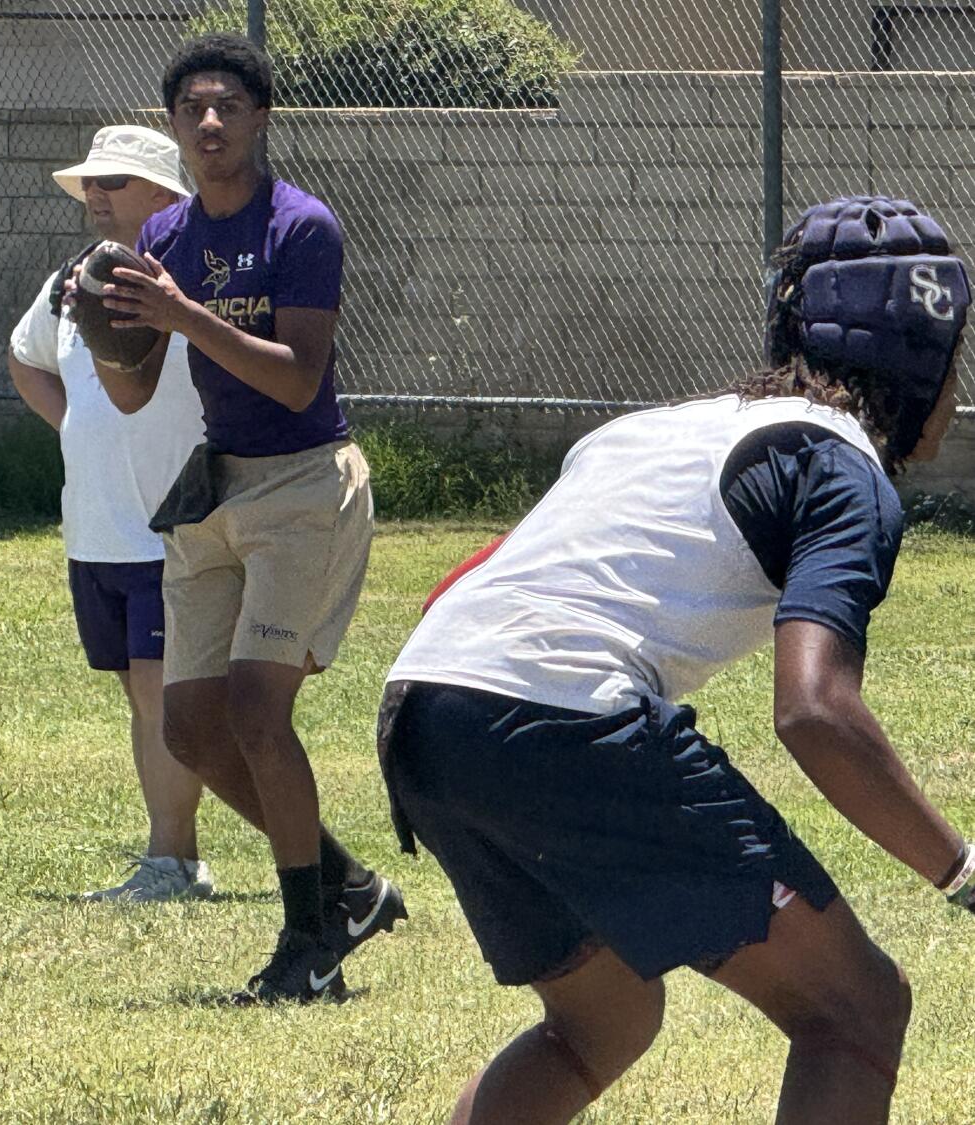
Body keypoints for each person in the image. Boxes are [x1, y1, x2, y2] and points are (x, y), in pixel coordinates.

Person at [378, 196, 973, 1124]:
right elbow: (814, 709)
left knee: (602, 1019)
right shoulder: (840, 465)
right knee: (855, 1008)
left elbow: (476, 584)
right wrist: (961, 871)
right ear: (923, 361)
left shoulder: (658, 427)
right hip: (557, 713)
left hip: (423, 711)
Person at [86, 34, 403, 1003]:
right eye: (193, 109)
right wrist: (100, 328)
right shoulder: (164, 235)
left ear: (260, 118)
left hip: (303, 485)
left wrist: (182, 314)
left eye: (228, 105)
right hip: (216, 489)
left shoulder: (302, 227)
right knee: (191, 728)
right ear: (174, 124)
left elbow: (299, 379)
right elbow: (135, 392)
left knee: (259, 712)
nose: (211, 122)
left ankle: (309, 939)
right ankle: (348, 887)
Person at [8, 125, 215, 901]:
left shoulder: (193, 279)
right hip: (95, 529)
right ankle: (176, 855)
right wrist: (75, 425)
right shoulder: (74, 280)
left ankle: (173, 861)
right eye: (90, 182)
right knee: (142, 695)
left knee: (166, 697)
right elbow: (24, 357)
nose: (95, 193)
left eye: (114, 181)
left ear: (163, 194)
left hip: (171, 530)